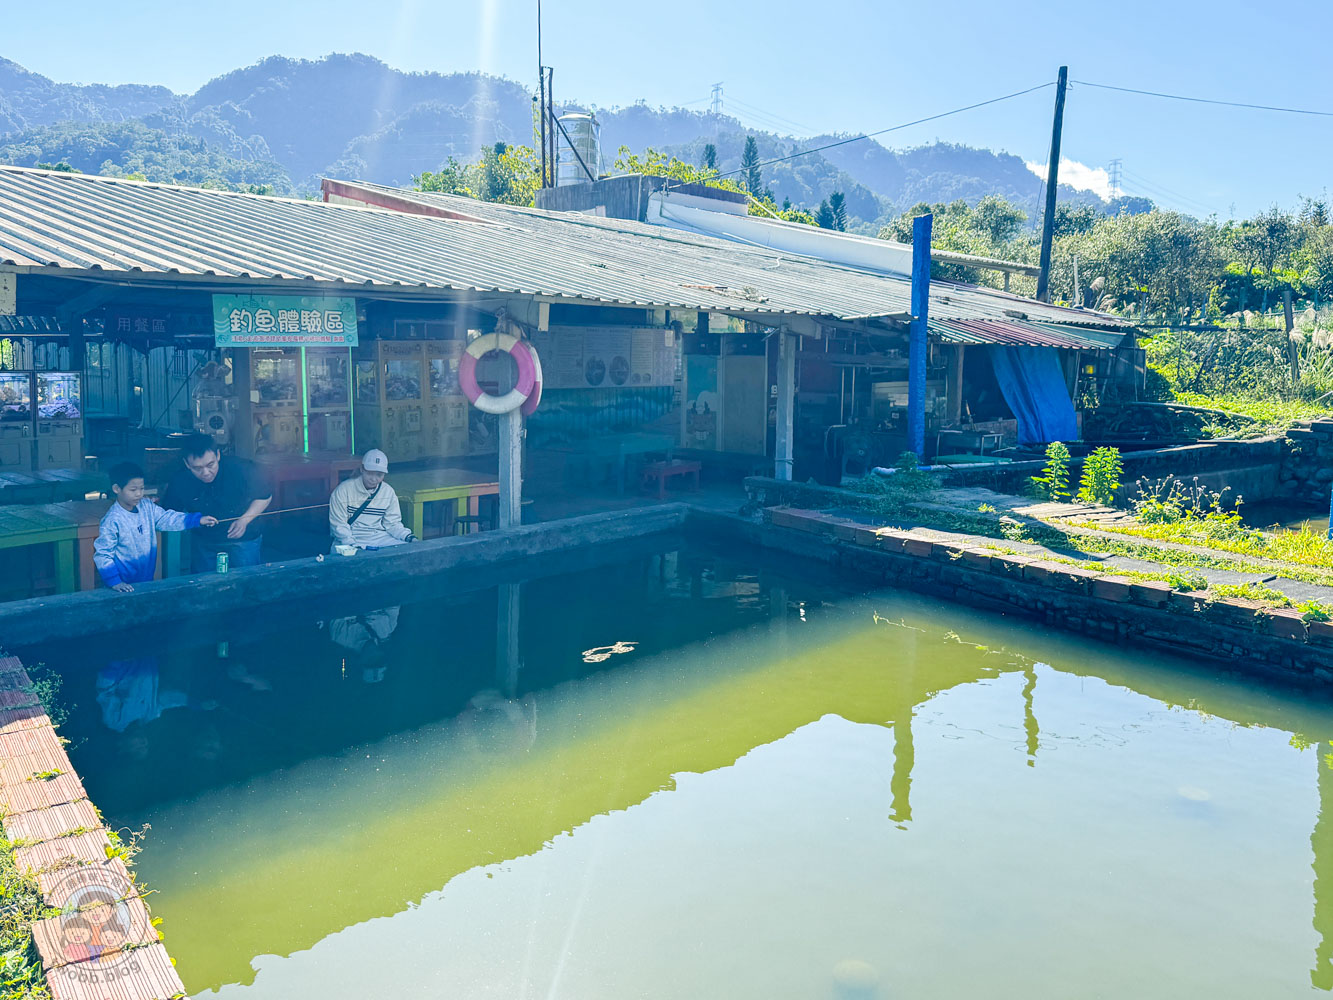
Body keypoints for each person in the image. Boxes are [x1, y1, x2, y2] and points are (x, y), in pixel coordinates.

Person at [93, 462, 217, 593]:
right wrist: (114, 581)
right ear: (117, 489)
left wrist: (197, 520)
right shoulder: (112, 520)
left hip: (146, 581)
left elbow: (166, 518)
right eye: (133, 490)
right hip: (122, 586)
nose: (139, 494)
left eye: (141, 488)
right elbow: (103, 554)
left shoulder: (146, 506)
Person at [162, 433, 273, 573]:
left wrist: (244, 520)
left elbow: (265, 496)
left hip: (244, 540)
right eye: (197, 468)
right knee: (204, 586)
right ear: (187, 464)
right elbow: (168, 514)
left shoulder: (241, 469)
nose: (206, 473)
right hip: (203, 541)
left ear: (218, 455)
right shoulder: (180, 480)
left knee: (247, 584)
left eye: (211, 465)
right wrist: (194, 520)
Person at [328, 449, 416, 551]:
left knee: (405, 550)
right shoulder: (343, 491)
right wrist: (352, 545)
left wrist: (409, 537)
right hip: (350, 538)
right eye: (370, 473)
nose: (374, 479)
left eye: (379, 475)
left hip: (379, 538)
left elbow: (393, 524)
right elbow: (339, 526)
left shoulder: (388, 491)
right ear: (362, 469)